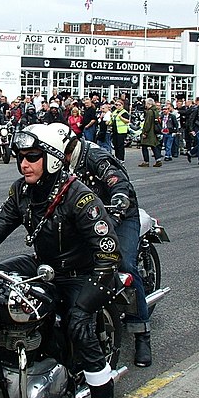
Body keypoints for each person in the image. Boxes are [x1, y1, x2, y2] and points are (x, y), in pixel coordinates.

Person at [0, 123, 121, 398]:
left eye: (33, 157)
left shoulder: (79, 196)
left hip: (85, 272)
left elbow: (108, 250)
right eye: (21, 157)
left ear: (51, 159)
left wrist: (93, 288)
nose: (25, 164)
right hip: (43, 265)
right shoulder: (22, 192)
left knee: (79, 324)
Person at [62, 126, 152, 367]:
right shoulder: (58, 162)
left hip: (120, 214)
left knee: (123, 263)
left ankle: (142, 333)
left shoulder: (96, 157)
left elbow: (116, 180)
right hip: (88, 217)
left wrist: (119, 199)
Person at [139, 98, 163, 167]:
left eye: (146, 103)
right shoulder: (156, 111)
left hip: (150, 132)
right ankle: (158, 160)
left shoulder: (149, 112)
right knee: (154, 146)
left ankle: (146, 161)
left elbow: (147, 123)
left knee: (144, 146)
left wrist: (145, 132)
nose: (145, 105)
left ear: (149, 104)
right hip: (154, 131)